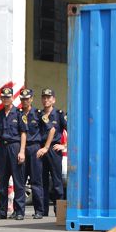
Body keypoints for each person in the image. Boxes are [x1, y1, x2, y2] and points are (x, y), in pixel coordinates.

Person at [0, 87, 27, 220]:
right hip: (2, 149)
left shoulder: (19, 113)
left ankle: (19, 211)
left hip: (14, 147)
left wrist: (22, 151)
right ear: (1, 98)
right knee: (2, 181)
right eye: (3, 97)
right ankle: (2, 211)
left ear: (12, 98)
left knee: (18, 181)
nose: (5, 99)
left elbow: (23, 133)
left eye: (8, 97)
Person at [36, 87, 67, 217]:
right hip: (41, 149)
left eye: (49, 97)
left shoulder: (59, 114)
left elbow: (70, 129)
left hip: (54, 150)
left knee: (57, 182)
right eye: (44, 97)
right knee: (42, 181)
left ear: (53, 100)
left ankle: (58, 211)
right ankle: (43, 210)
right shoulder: (38, 114)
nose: (46, 100)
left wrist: (64, 145)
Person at [18, 88, 45, 219]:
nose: (24, 101)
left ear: (31, 99)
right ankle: (19, 211)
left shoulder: (38, 113)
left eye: (27, 99)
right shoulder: (17, 113)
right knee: (20, 181)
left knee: (36, 181)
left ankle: (39, 210)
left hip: (34, 149)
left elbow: (50, 129)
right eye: (22, 99)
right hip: (21, 149)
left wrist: (44, 147)